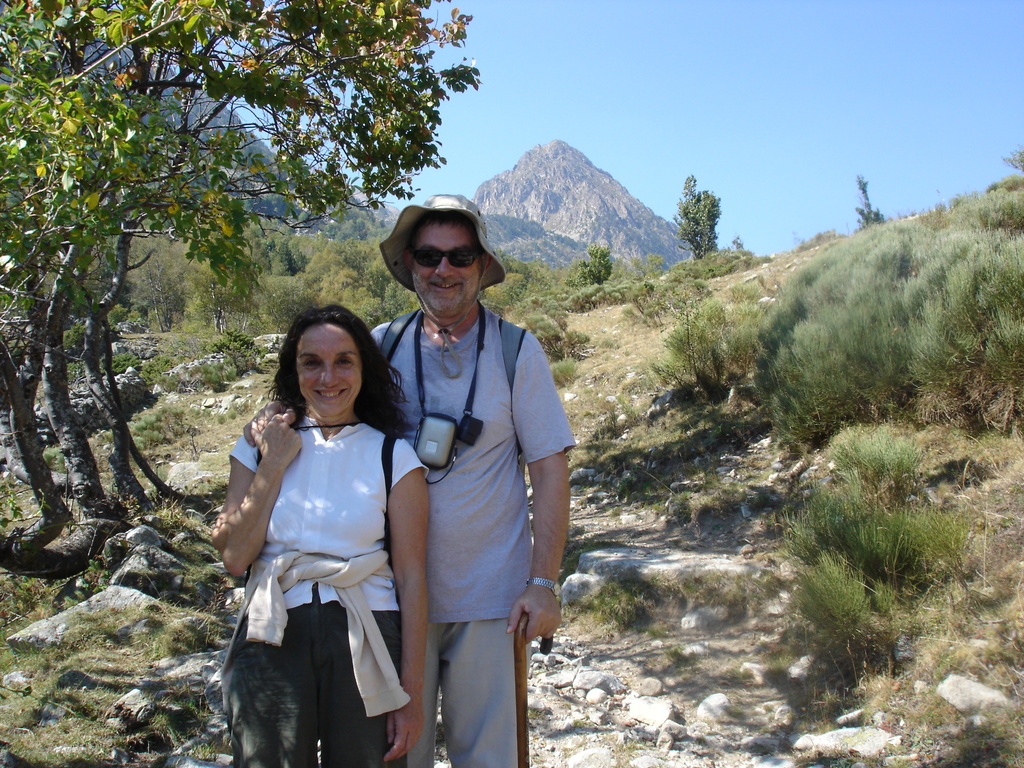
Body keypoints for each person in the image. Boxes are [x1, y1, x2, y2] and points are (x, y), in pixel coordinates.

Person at [248, 195, 575, 768]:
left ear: (481, 265)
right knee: (398, 756)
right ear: (410, 264)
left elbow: (550, 469)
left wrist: (543, 583)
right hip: (386, 603)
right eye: (428, 256)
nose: (443, 270)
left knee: (489, 760)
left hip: (491, 602)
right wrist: (272, 424)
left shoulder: (516, 351)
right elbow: (327, 408)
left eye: (460, 256)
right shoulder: (382, 345)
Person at [214, 305, 429, 768]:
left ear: (364, 369)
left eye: (343, 361)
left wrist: (410, 695)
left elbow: (412, 579)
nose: (328, 377)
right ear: (294, 371)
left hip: (367, 629)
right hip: (272, 629)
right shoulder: (257, 446)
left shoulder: (393, 456)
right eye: (312, 362)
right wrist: (273, 462)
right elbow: (234, 557)